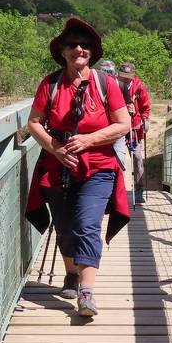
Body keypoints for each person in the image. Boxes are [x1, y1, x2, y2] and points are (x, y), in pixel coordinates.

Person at [25, 18, 132, 317]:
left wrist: (88, 141)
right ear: (62, 51)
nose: (78, 49)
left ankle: (86, 292)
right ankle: (71, 272)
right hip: (58, 167)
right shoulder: (50, 84)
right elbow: (34, 122)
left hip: (98, 167)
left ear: (92, 52)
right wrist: (55, 147)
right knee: (65, 228)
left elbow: (123, 124)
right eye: (71, 44)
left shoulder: (106, 84)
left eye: (84, 45)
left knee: (86, 224)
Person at [116, 62, 152, 205]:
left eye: (128, 77)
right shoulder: (113, 85)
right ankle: (116, 192)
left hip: (134, 130)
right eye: (123, 76)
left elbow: (145, 106)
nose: (126, 79)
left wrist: (145, 119)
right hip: (117, 129)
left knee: (137, 158)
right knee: (118, 159)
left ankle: (138, 190)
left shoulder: (139, 86)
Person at [96, 59, 132, 175]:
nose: (107, 76)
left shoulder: (121, 85)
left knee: (119, 158)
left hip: (116, 128)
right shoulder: (93, 85)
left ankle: (117, 183)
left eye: (109, 73)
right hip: (98, 128)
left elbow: (128, 102)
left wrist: (130, 108)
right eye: (104, 73)